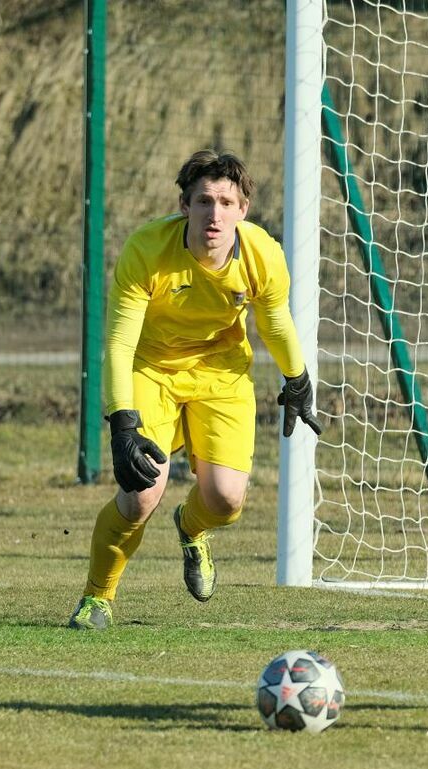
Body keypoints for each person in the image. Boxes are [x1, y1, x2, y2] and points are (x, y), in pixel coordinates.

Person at [68, 149, 321, 629]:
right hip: (152, 369)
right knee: (141, 495)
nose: (215, 213)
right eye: (205, 201)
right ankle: (97, 598)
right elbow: (120, 344)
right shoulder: (147, 250)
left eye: (227, 202)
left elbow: (275, 321)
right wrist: (122, 422)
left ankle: (190, 527)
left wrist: (297, 378)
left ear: (243, 210)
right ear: (185, 205)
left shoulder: (262, 253)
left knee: (226, 501)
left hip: (222, 375)